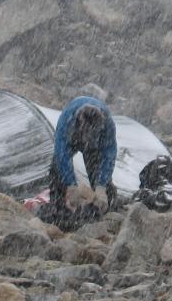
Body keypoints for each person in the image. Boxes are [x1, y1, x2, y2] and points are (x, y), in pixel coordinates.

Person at [44, 96, 118, 226]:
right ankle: (59, 210)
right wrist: (70, 185)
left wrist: (101, 185)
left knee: (98, 175)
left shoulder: (107, 124)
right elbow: (62, 156)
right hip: (73, 137)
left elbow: (108, 155)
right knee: (57, 171)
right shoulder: (67, 120)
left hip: (96, 145)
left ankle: (103, 207)